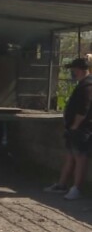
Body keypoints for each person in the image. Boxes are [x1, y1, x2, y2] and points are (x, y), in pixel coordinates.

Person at [44, 57, 92, 201]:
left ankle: (76, 188)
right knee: (70, 156)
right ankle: (62, 184)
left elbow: (83, 110)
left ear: (81, 69)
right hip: (74, 128)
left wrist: (75, 125)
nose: (72, 72)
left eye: (74, 69)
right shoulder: (82, 84)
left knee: (80, 158)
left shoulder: (88, 86)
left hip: (81, 129)